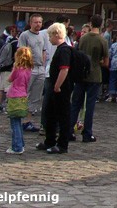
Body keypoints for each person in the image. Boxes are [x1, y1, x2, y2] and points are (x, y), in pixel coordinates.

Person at [70, 14, 108, 142]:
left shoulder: (83, 38)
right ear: (101, 25)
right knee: (89, 106)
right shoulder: (102, 40)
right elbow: (106, 62)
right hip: (95, 74)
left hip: (81, 74)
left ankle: (69, 130)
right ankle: (87, 133)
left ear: (91, 24)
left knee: (75, 103)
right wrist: (98, 61)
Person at [36, 22, 73, 154]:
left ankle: (62, 144)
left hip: (61, 89)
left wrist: (57, 86)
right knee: (50, 114)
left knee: (62, 116)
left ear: (56, 35)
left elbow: (64, 69)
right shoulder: (60, 49)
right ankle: (49, 140)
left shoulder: (64, 50)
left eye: (50, 36)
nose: (49, 39)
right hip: (55, 87)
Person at [18, 14, 46, 132]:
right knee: (24, 93)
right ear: (30, 23)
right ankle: (20, 118)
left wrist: (43, 65)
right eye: (36, 22)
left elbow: (44, 51)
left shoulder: (42, 36)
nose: (38, 24)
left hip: (40, 69)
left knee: (36, 96)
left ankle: (28, 121)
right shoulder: (25, 35)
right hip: (29, 68)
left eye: (40, 22)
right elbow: (21, 52)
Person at [6, 46, 33, 155]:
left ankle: (17, 147)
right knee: (18, 122)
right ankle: (20, 144)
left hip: (14, 95)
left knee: (14, 123)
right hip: (23, 95)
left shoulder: (17, 68)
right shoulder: (29, 69)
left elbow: (10, 79)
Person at [0, 25, 19, 113]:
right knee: (8, 88)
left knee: (1, 88)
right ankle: (7, 106)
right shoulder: (15, 43)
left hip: (3, 67)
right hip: (10, 68)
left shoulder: (7, 41)